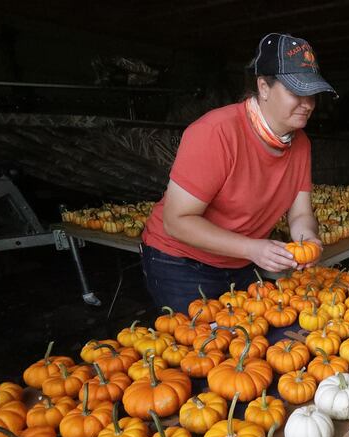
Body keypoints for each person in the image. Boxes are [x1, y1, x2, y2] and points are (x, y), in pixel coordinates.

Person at [140, 33, 335, 312]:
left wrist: (307, 240)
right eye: (296, 92)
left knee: (244, 335)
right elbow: (176, 221)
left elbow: (300, 213)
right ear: (263, 87)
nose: (308, 104)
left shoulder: (300, 143)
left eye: (312, 94)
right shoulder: (216, 133)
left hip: (241, 261)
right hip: (181, 262)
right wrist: (252, 248)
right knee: (201, 338)